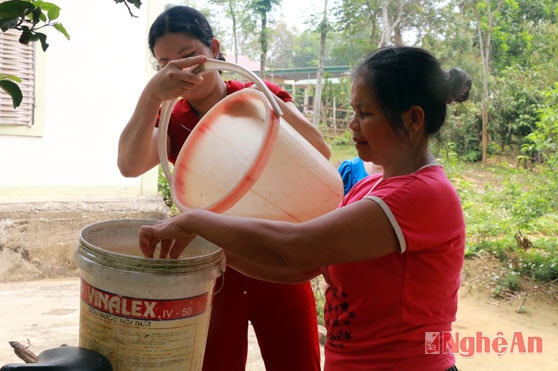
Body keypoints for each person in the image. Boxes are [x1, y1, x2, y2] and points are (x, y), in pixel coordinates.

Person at [137, 45, 472, 371]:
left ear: (413, 118)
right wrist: (216, 251)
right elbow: (300, 267)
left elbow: (296, 246)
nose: (353, 124)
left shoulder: (422, 195)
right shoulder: (371, 186)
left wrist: (196, 221)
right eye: (354, 111)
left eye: (365, 113)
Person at [117, 6, 328, 371]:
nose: (180, 70)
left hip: (275, 258)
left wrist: (265, 102)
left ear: (213, 49)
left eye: (188, 56)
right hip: (215, 271)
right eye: (165, 64)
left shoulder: (256, 96)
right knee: (216, 363)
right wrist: (152, 96)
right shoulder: (173, 119)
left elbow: (320, 150)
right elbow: (129, 165)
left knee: (298, 362)